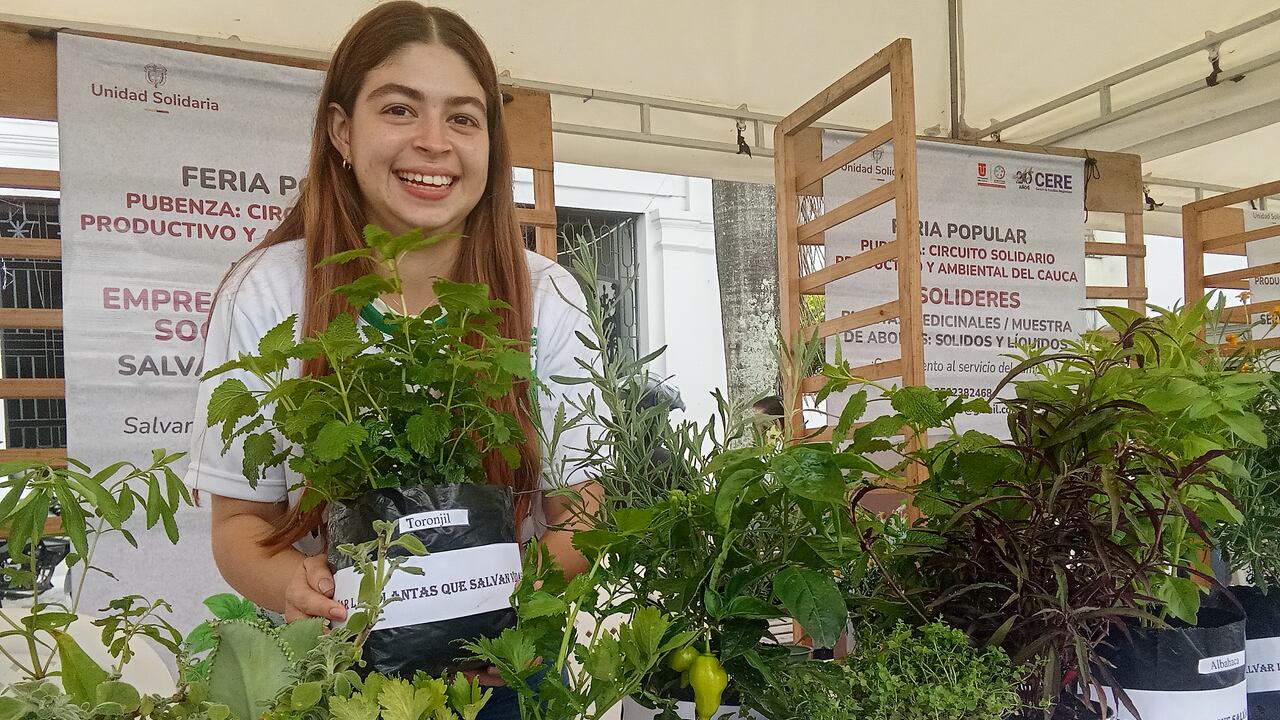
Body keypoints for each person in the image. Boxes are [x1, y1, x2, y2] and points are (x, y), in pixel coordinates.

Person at [183, 4, 599, 716]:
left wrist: (493, 609)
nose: (434, 143)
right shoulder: (273, 290)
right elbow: (240, 527)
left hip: (502, 672)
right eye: (401, 109)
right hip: (340, 671)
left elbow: (580, 514)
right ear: (343, 131)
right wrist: (293, 586)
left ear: (490, 144)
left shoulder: (545, 295)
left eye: (463, 118)